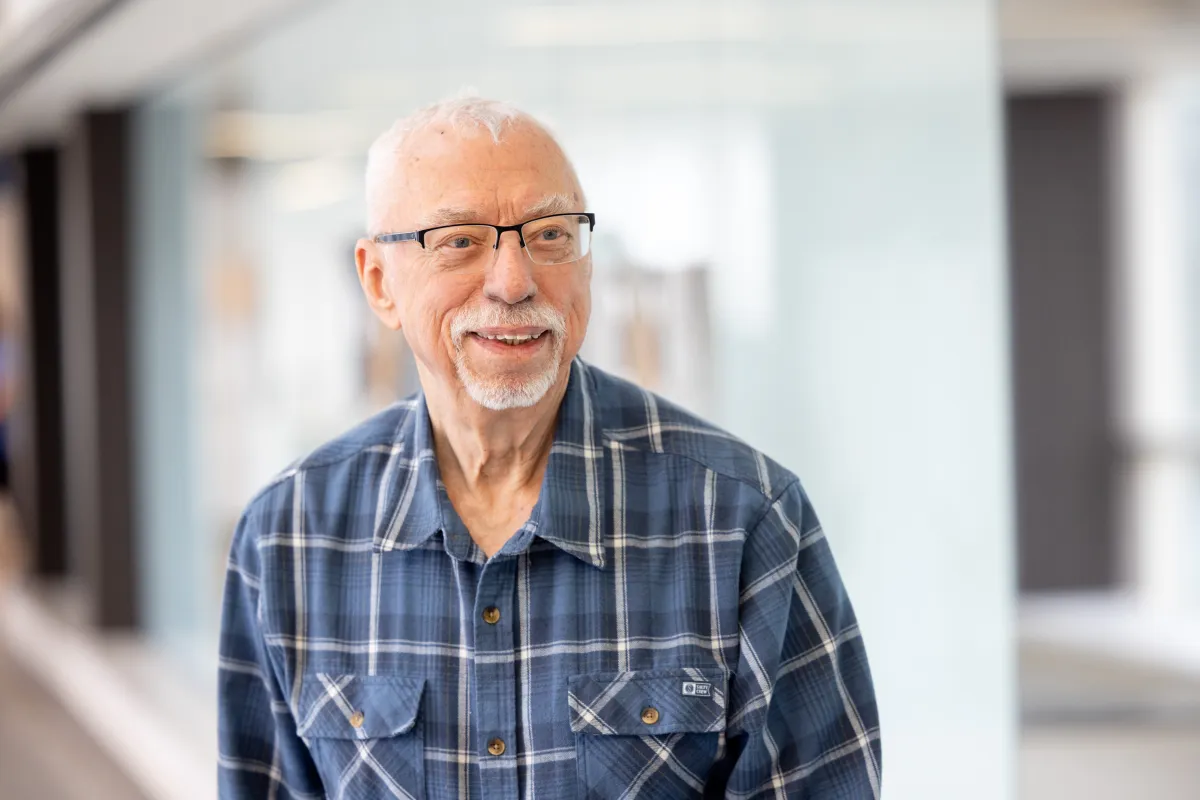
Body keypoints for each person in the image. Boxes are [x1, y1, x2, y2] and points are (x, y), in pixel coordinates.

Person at [217, 96, 881, 799]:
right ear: (379, 282)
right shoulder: (287, 537)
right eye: (461, 240)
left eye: (550, 235)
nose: (515, 280)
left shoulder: (745, 522)